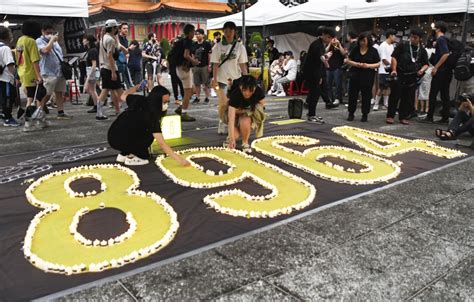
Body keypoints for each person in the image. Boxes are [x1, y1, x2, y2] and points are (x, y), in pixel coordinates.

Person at [108, 84, 190, 166]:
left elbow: (123, 95)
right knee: (149, 136)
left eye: (168, 102)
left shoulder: (138, 99)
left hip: (112, 136)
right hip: (122, 139)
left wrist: (137, 87)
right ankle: (136, 158)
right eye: (164, 102)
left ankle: (124, 153)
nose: (166, 105)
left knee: (135, 129)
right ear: (157, 101)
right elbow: (161, 143)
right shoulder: (152, 116)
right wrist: (180, 160)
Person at [210, 21, 248, 134]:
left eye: (230, 31)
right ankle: (222, 122)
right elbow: (215, 64)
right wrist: (214, 79)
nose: (228, 33)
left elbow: (242, 64)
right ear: (223, 32)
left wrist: (246, 80)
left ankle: (233, 124)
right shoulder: (217, 47)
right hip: (221, 80)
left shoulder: (240, 47)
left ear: (235, 32)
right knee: (223, 103)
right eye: (226, 31)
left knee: (235, 103)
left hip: (236, 80)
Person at [387, 28, 429, 125]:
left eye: (415, 38)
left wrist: (422, 70)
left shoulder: (422, 51)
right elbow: (394, 57)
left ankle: (403, 116)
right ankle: (390, 116)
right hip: (400, 74)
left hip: (412, 77)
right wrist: (393, 69)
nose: (413, 39)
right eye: (412, 37)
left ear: (420, 39)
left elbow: (426, 64)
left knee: (407, 98)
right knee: (395, 96)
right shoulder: (403, 46)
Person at [36, 23, 72, 121]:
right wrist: (52, 39)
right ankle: (39, 113)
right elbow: (46, 50)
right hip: (48, 72)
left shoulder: (55, 42)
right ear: (42, 32)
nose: (50, 34)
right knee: (46, 94)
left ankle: (61, 112)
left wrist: (53, 40)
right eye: (48, 33)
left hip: (58, 71)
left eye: (52, 33)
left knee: (59, 92)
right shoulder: (39, 41)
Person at [224, 75, 266, 153]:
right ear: (240, 87)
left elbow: (262, 105)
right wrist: (232, 139)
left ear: (255, 88)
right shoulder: (235, 94)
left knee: (245, 120)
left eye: (250, 91)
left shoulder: (258, 91)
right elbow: (231, 118)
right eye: (245, 90)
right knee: (234, 135)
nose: (247, 93)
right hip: (235, 111)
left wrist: (254, 113)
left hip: (247, 111)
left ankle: (245, 142)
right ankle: (230, 136)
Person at [302, 26, 335, 123]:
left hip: (315, 71)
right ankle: (311, 115)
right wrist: (320, 75)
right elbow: (321, 60)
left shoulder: (320, 44)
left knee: (315, 93)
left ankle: (311, 114)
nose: (329, 40)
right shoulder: (317, 45)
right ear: (323, 35)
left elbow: (321, 59)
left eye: (331, 38)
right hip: (312, 72)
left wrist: (326, 57)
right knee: (314, 94)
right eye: (328, 37)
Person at [346, 32, 381, 122]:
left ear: (368, 41)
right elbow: (348, 60)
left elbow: (378, 64)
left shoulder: (373, 51)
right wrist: (356, 64)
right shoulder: (355, 49)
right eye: (361, 40)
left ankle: (365, 114)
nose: (362, 42)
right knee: (353, 95)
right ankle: (351, 113)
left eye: (364, 41)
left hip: (368, 76)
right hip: (355, 74)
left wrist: (368, 65)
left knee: (366, 95)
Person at [15, 20, 43, 131]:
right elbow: (34, 60)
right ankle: (28, 123)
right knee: (31, 99)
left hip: (22, 72)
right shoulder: (31, 41)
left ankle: (40, 120)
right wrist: (39, 76)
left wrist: (18, 76)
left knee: (34, 96)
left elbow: (18, 59)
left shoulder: (20, 40)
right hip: (31, 73)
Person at [424, 21, 452, 123]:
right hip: (447, 71)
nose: (434, 29)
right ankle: (445, 117)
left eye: (435, 27)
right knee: (445, 94)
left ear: (439, 29)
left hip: (441, 71)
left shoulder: (441, 39)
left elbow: (445, 54)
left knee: (433, 93)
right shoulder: (445, 39)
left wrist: (436, 67)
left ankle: (430, 116)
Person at [97, 19, 123, 118]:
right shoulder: (110, 40)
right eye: (116, 27)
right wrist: (113, 72)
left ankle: (100, 112)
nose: (117, 29)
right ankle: (132, 108)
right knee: (118, 90)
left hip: (104, 67)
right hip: (109, 68)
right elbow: (110, 56)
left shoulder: (103, 38)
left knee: (107, 90)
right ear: (113, 28)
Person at [173, 24, 199, 122]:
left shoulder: (181, 41)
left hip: (178, 68)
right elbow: (186, 55)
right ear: (189, 32)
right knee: (188, 92)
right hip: (185, 69)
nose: (194, 34)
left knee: (192, 90)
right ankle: (184, 113)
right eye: (193, 31)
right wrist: (194, 61)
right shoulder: (188, 41)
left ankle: (181, 107)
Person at [0, 27, 20, 126]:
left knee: (3, 98)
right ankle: (8, 118)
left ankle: (4, 114)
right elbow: (10, 64)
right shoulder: (5, 48)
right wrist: (15, 77)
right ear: (6, 36)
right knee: (9, 98)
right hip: (6, 78)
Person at [374, 29, 396, 111]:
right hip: (383, 69)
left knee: (388, 87)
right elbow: (383, 59)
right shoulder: (383, 45)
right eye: (394, 36)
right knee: (381, 87)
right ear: (390, 36)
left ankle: (385, 104)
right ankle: (376, 104)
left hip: (390, 69)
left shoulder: (391, 46)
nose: (395, 38)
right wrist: (391, 66)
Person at [191, 28, 212, 104]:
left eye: (199, 34)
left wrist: (209, 65)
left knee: (206, 83)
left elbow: (209, 55)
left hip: (205, 66)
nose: (197, 35)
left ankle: (207, 97)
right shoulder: (194, 44)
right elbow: (192, 54)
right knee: (197, 83)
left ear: (203, 35)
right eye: (196, 34)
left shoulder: (207, 44)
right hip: (196, 67)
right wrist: (193, 63)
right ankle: (197, 97)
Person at [326, 36, 346, 106]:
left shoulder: (340, 45)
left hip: (337, 67)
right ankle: (330, 98)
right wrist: (329, 44)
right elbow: (324, 52)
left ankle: (338, 98)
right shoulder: (328, 45)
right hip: (328, 67)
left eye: (335, 38)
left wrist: (339, 44)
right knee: (328, 84)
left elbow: (344, 53)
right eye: (332, 38)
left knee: (338, 84)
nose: (333, 40)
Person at [82, 34, 100, 114]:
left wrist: (88, 77)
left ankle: (97, 105)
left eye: (84, 39)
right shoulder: (91, 50)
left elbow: (94, 65)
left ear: (88, 41)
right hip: (91, 71)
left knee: (91, 90)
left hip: (92, 71)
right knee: (91, 90)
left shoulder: (92, 50)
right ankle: (97, 105)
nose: (83, 41)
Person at [117, 22, 134, 89]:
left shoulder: (125, 39)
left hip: (124, 62)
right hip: (118, 62)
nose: (126, 30)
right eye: (124, 28)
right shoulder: (118, 39)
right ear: (119, 29)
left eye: (127, 28)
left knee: (126, 82)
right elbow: (118, 50)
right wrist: (129, 49)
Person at [168, 38, 184, 104]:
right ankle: (183, 97)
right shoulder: (181, 52)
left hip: (173, 70)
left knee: (174, 85)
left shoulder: (170, 52)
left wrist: (169, 70)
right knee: (181, 84)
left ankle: (176, 98)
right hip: (179, 70)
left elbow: (168, 63)